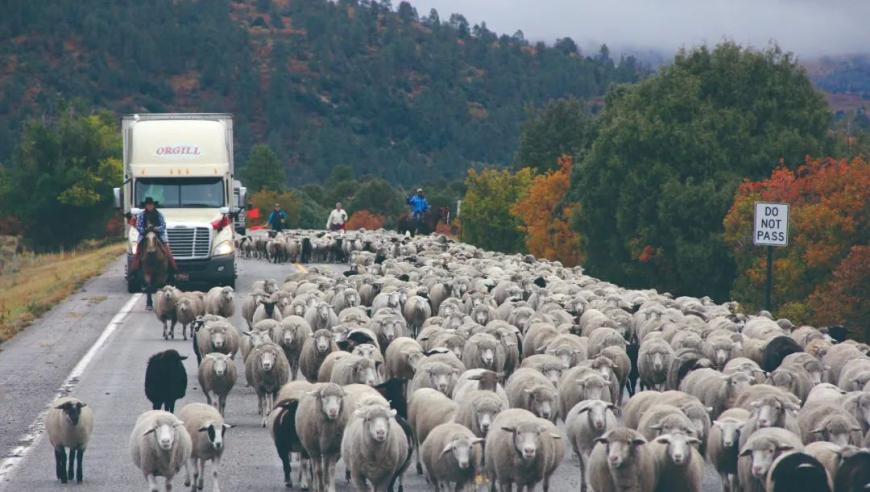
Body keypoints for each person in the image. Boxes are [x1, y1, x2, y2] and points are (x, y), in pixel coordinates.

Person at [131, 197, 178, 273]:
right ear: (145, 206)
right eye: (148, 205)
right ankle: (134, 271)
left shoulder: (159, 214)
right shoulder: (141, 215)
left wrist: (155, 228)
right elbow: (138, 227)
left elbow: (163, 226)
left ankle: (174, 269)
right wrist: (145, 229)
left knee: (167, 251)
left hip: (158, 235)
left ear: (153, 205)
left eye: (151, 205)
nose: (149, 206)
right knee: (137, 252)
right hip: (144, 235)